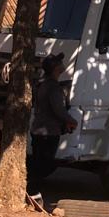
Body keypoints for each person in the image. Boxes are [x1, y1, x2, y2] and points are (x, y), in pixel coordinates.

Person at [27, 53, 76, 199]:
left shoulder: (41, 84)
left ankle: (31, 190)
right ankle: (32, 191)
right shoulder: (53, 87)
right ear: (55, 68)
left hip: (38, 129)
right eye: (59, 62)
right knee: (44, 165)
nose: (62, 64)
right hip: (48, 132)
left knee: (38, 162)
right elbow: (58, 110)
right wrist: (71, 120)